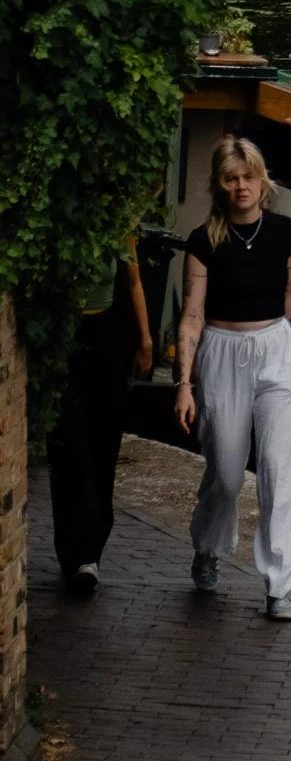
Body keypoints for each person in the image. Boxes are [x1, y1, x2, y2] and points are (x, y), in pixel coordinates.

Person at [175, 136, 291, 623]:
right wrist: (184, 383)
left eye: (249, 176)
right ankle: (208, 548)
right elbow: (191, 317)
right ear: (220, 184)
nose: (242, 186)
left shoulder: (285, 234)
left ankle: (278, 583)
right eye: (232, 178)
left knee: (277, 471)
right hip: (222, 353)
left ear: (262, 179)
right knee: (227, 474)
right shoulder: (203, 241)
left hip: (276, 352)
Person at [46, 234, 153, 594]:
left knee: (104, 443)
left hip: (106, 334)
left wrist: (145, 340)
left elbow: (133, 280)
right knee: (69, 443)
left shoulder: (118, 222)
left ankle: (91, 552)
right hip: (62, 336)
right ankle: (75, 552)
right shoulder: (60, 217)